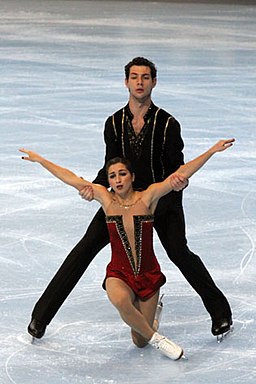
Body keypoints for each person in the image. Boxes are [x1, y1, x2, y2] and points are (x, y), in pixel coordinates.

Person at [26, 57, 233, 341]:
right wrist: (95, 189)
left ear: (154, 82)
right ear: (126, 82)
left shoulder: (168, 124)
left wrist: (179, 184)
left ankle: (220, 313)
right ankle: (40, 317)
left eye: (145, 77)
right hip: (121, 199)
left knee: (178, 251)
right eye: (134, 77)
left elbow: (177, 167)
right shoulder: (113, 123)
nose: (139, 82)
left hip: (160, 199)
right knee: (85, 248)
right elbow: (110, 165)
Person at [20, 138, 234, 359]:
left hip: (148, 275)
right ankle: (159, 340)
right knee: (121, 300)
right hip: (119, 274)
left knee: (139, 341)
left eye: (122, 174)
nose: (117, 179)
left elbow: (180, 174)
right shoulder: (107, 200)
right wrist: (42, 161)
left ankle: (152, 323)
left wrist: (211, 151)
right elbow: (72, 179)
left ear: (132, 177)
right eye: (112, 176)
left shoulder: (148, 197)